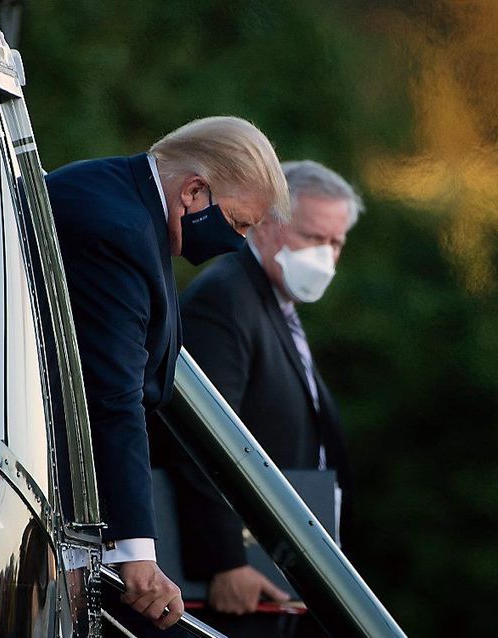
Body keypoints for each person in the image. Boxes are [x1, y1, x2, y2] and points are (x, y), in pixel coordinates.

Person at [45, 116, 289, 634]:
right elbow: (113, 397)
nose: (239, 242)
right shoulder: (121, 231)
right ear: (195, 191)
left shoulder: (123, 203)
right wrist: (134, 551)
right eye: (240, 223)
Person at [170, 160, 362, 636]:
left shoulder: (272, 306)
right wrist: (224, 562)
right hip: (240, 580)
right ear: (270, 221)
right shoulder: (226, 299)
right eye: (314, 238)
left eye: (336, 243)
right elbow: (199, 434)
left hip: (283, 572)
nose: (327, 257)